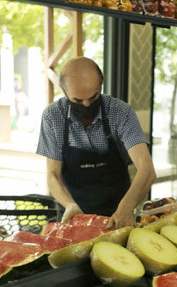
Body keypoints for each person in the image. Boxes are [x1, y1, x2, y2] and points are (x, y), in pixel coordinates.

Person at [36, 57, 156, 228]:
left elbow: (147, 170)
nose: (86, 105)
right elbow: (53, 175)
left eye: (93, 98)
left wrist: (126, 208)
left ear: (102, 82)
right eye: (78, 101)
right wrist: (70, 205)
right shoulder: (53, 116)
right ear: (63, 90)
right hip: (72, 216)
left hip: (118, 214)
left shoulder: (121, 113)